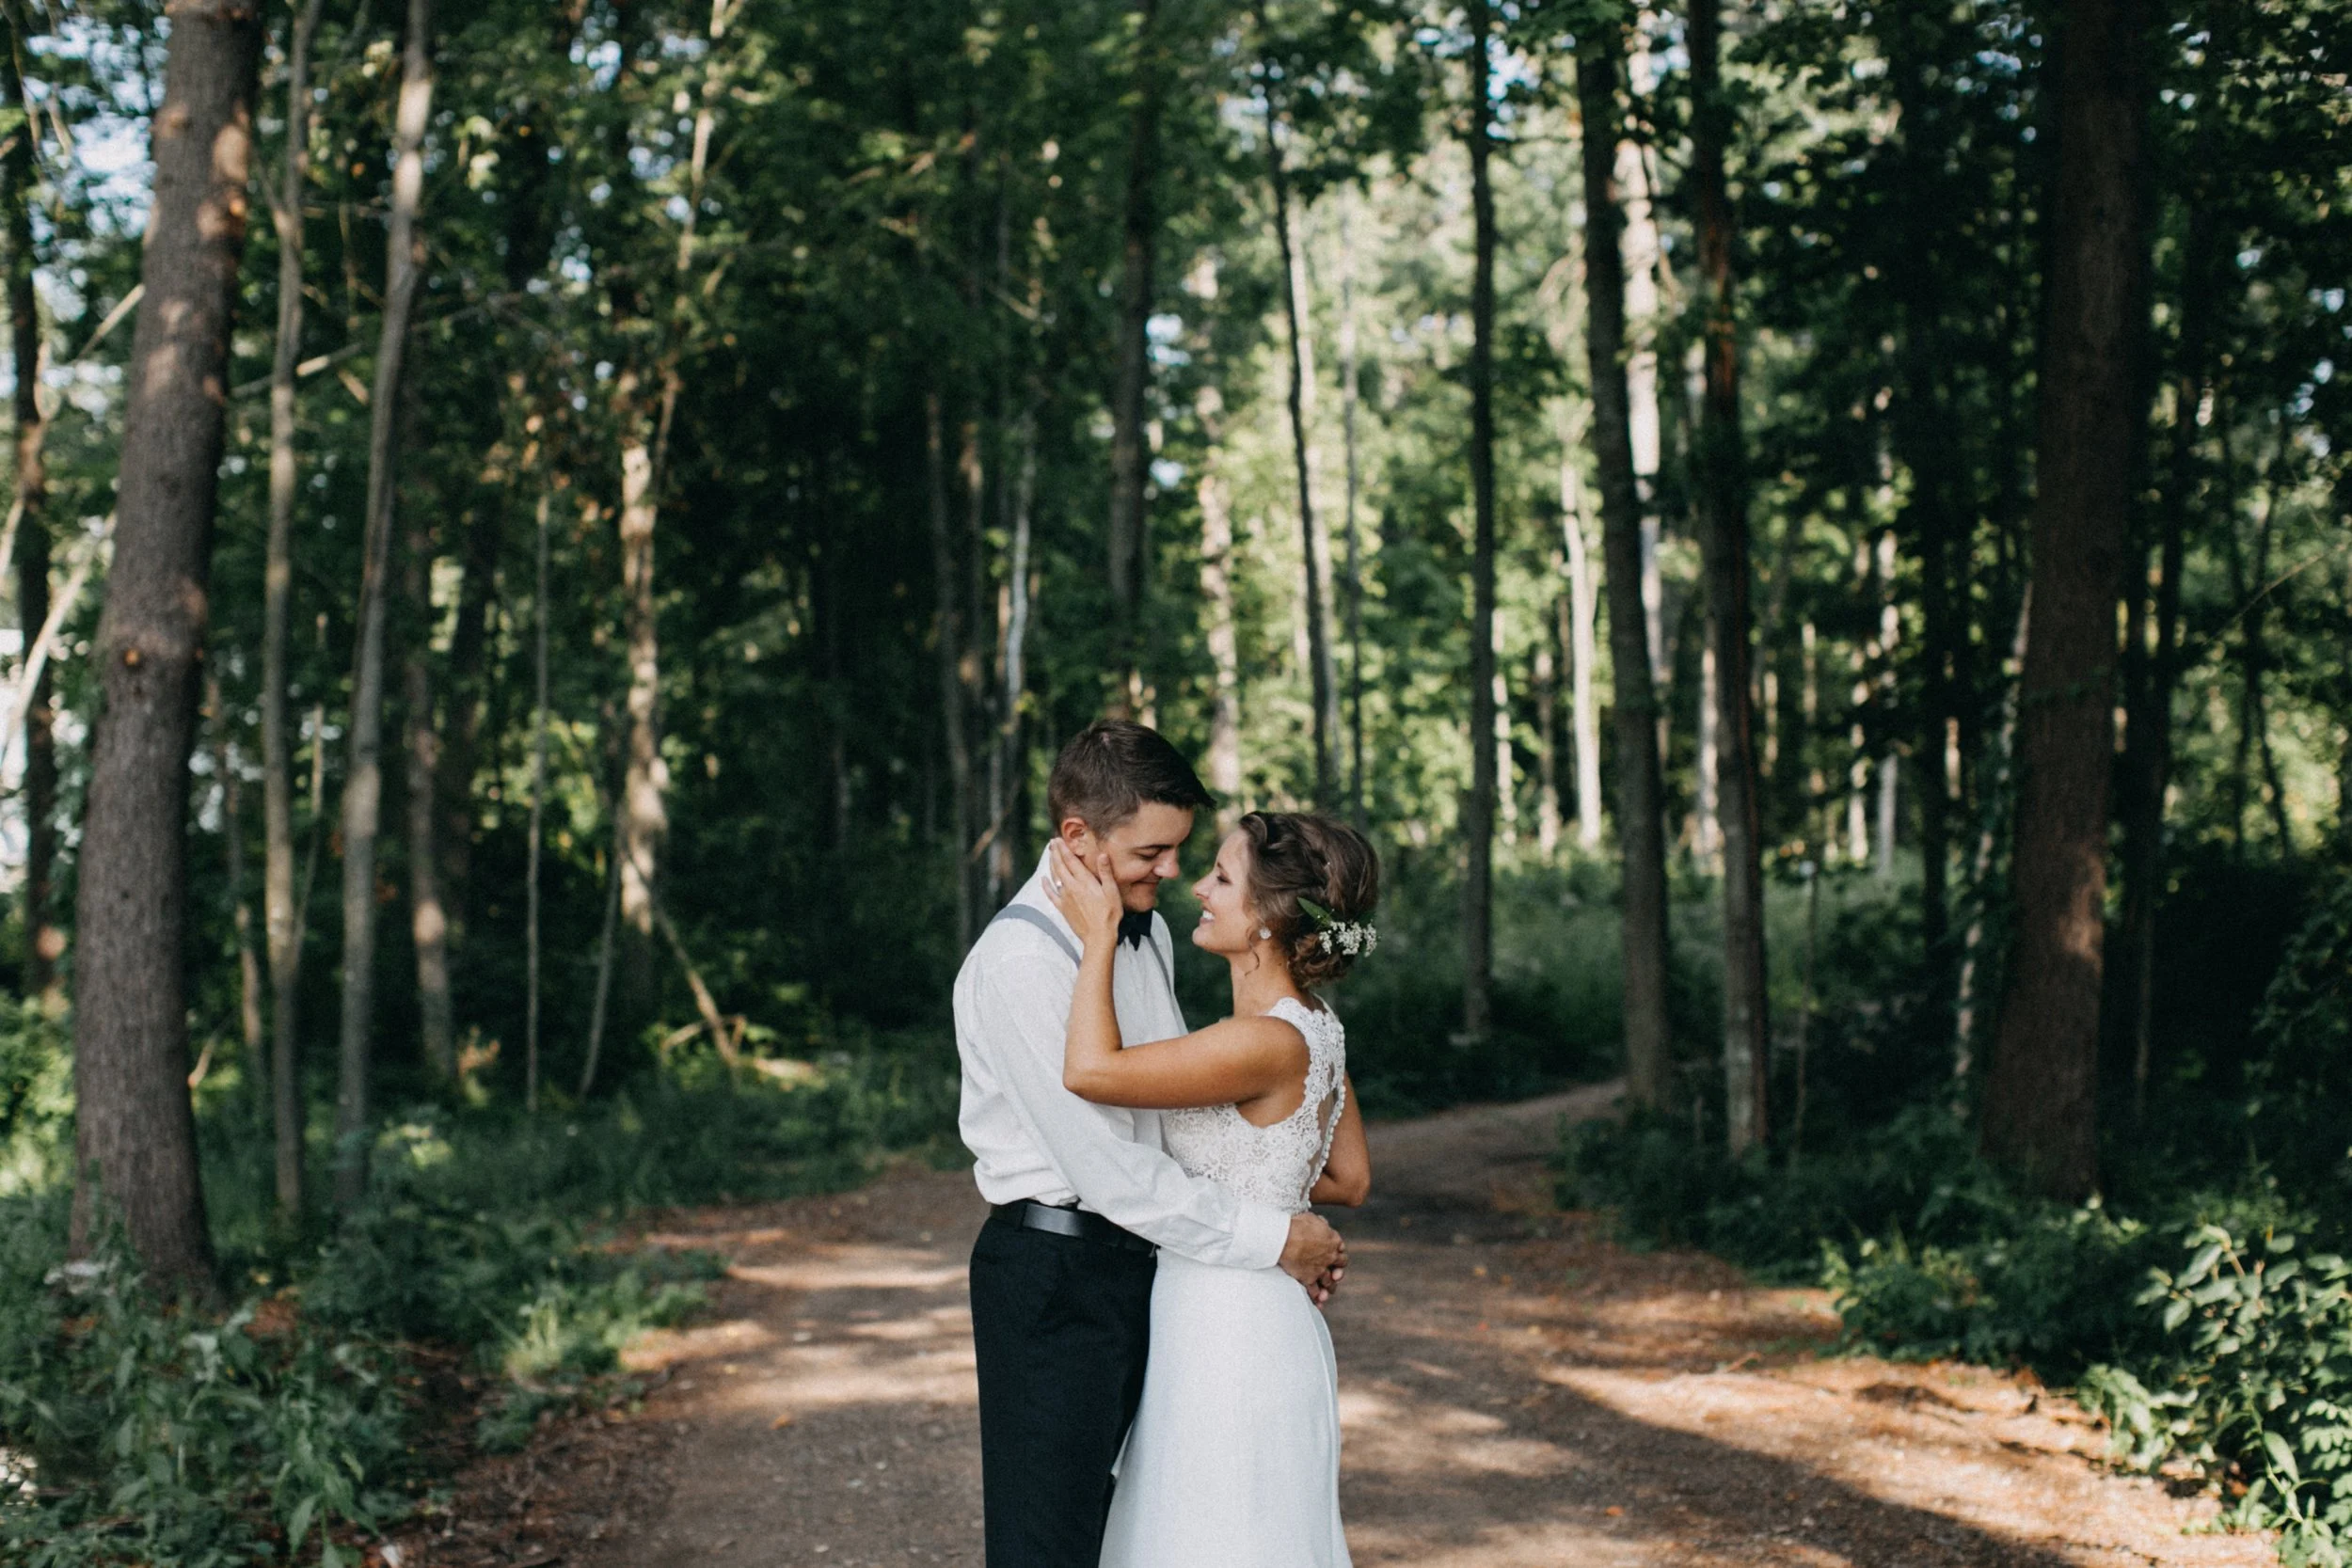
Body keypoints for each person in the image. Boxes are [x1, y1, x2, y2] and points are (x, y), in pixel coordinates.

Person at [953, 721, 1349, 1568]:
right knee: (1048, 1543)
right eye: (1152, 852)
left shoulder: (1150, 934)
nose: (1170, 873)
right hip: (1054, 1280)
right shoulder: (1019, 963)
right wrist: (1273, 1236)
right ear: (1078, 839)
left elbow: (1175, 1125)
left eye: (1182, 852)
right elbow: (1113, 1169)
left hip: (1158, 1277)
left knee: (1157, 1528)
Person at [1044, 807, 1377, 1568]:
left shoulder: (1258, 1041)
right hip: (1262, 1317)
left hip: (1227, 1328)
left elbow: (1091, 1071)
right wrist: (1275, 1210)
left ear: (1266, 919)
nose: (1197, 885)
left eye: (1221, 877)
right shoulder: (1317, 1026)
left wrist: (1098, 939)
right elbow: (1348, 1177)